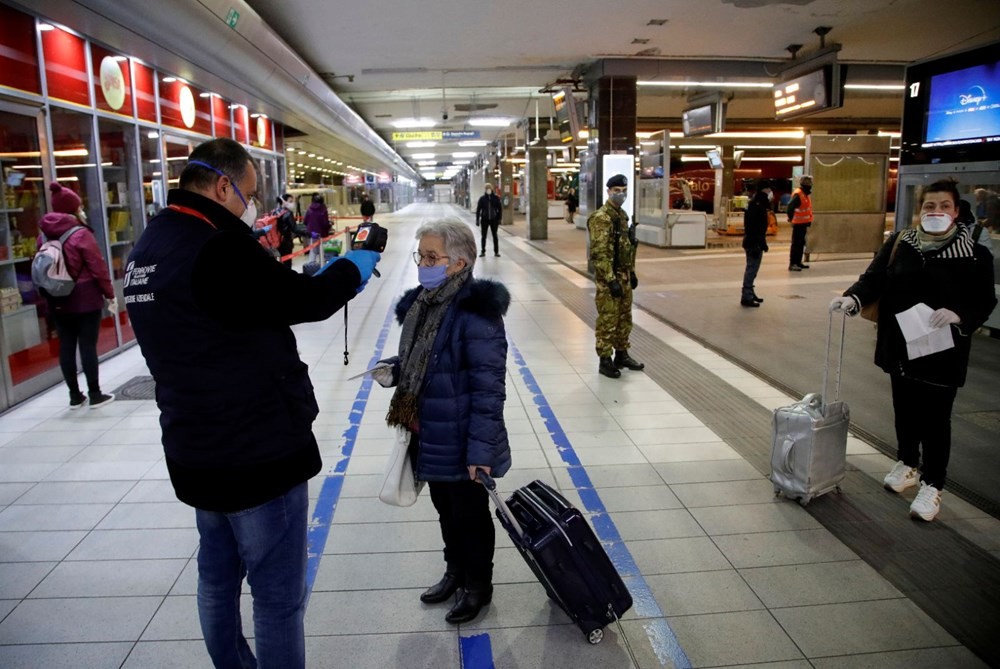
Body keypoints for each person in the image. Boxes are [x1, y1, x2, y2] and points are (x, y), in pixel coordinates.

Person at [123, 138, 380, 668]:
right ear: (222, 186)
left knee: (216, 580)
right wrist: (355, 266)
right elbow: (302, 300)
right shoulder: (217, 245)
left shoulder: (148, 246)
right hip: (256, 450)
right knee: (277, 597)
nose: (251, 205)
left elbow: (235, 311)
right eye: (248, 193)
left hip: (194, 445)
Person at [830, 178, 995, 522]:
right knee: (904, 409)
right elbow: (874, 278)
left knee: (936, 419)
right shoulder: (901, 242)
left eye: (944, 206)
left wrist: (960, 314)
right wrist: (852, 297)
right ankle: (908, 463)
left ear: (956, 210)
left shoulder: (974, 253)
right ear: (920, 210)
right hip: (901, 345)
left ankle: (933, 484)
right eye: (929, 206)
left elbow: (984, 299)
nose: (936, 212)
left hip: (942, 350)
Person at [371, 218, 511, 625]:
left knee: (470, 515)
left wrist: (481, 452)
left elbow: (488, 391)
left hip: (463, 437)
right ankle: (455, 572)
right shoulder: (424, 304)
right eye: (421, 256)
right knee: (445, 511)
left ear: (459, 263)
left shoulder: (475, 313)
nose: (423, 264)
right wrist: (396, 370)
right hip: (429, 430)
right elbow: (426, 361)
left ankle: (478, 586)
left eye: (432, 257)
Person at [39, 182, 117, 410]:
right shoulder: (80, 233)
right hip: (85, 299)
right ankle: (95, 394)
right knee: (87, 345)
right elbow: (97, 266)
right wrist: (109, 294)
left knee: (66, 346)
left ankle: (74, 396)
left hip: (57, 299)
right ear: (73, 208)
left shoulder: (43, 236)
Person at [588, 174, 644, 378]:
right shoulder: (601, 218)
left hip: (624, 276)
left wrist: (632, 272)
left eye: (623, 190)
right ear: (608, 191)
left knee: (624, 317)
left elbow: (627, 248)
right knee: (608, 319)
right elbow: (599, 253)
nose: (621, 194)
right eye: (616, 190)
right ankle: (605, 360)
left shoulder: (622, 216)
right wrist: (610, 280)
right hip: (609, 279)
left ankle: (622, 354)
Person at [741, 180, 771, 307]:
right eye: (769, 189)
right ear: (764, 190)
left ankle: (750, 292)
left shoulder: (756, 203)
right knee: (751, 268)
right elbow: (755, 226)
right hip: (754, 242)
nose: (770, 192)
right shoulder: (757, 205)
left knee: (753, 269)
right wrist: (760, 242)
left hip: (752, 240)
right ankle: (747, 296)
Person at [787, 174, 813, 271]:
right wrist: (791, 219)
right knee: (796, 244)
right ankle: (793, 263)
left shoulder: (805, 194)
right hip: (798, 224)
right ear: (805, 184)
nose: (811, 185)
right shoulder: (799, 194)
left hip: (803, 224)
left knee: (801, 243)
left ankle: (798, 262)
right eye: (809, 183)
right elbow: (790, 207)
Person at [475, 183, 502, 257]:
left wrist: (499, 218)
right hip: (484, 219)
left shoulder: (496, 198)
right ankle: (483, 251)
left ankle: (496, 251)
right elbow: (478, 210)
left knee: (495, 236)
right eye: (487, 188)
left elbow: (499, 209)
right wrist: (477, 219)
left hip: (494, 219)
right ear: (485, 190)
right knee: (483, 236)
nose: (488, 190)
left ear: (492, 189)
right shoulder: (482, 199)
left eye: (489, 188)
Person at [271, 193, 297, 268]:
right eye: (290, 201)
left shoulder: (275, 212)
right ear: (284, 202)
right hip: (286, 242)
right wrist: (309, 233)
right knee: (287, 263)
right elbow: (294, 228)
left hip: (276, 241)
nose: (292, 203)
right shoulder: (288, 213)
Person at [304, 192, 331, 264]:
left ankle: (311, 265)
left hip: (312, 233)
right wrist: (329, 225)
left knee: (313, 250)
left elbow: (305, 221)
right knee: (322, 250)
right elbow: (324, 223)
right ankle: (322, 264)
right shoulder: (323, 209)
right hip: (322, 233)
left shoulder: (309, 209)